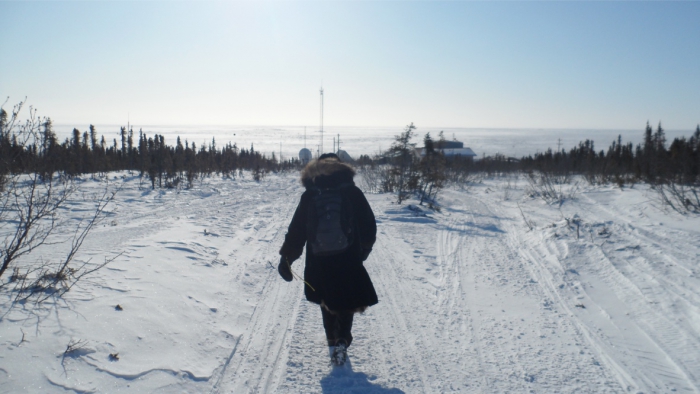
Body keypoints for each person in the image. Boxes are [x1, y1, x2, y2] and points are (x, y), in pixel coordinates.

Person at [278, 153, 377, 366]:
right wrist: (365, 249)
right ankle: (342, 338)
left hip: (318, 258)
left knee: (326, 297)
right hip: (348, 256)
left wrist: (287, 259)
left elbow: (297, 231)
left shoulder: (311, 195)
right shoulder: (352, 192)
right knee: (346, 298)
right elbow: (368, 223)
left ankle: (331, 340)